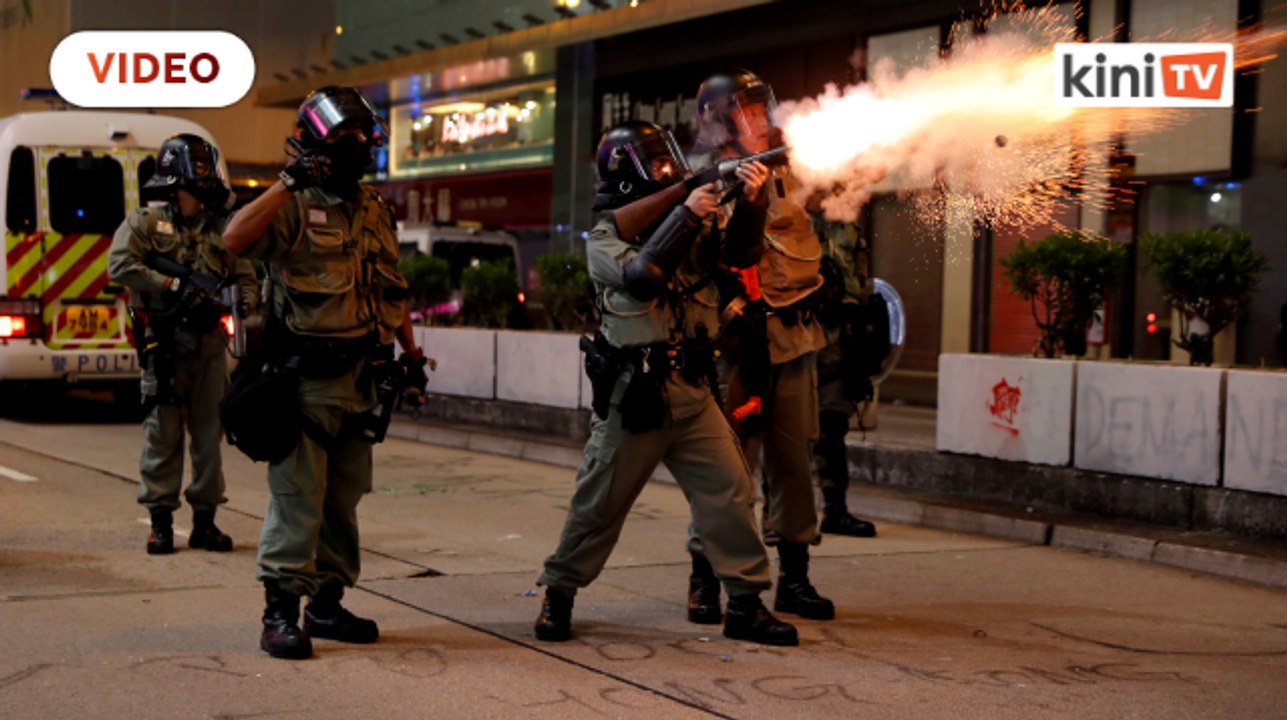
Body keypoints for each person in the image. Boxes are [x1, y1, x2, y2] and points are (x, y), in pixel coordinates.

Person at [534, 120, 798, 647]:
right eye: (656, 165)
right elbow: (643, 277)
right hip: (636, 396)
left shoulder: (697, 221)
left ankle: (744, 604)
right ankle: (559, 591)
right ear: (629, 172)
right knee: (598, 504)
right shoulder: (606, 238)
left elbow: (742, 256)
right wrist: (684, 209)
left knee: (732, 494)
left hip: (693, 390)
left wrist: (751, 200)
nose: (668, 170)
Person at [221, 86, 429, 661]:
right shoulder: (290, 206)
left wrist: (411, 357)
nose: (358, 149)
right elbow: (233, 238)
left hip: (362, 381)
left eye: (364, 139)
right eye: (345, 140)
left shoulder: (374, 210)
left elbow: (393, 291)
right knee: (298, 499)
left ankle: (329, 605)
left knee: (344, 500)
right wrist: (286, 181)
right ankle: (280, 612)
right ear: (314, 146)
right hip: (304, 384)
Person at [685, 70, 836, 626]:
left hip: (793, 340)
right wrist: (744, 200)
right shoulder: (707, 182)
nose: (762, 117)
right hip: (735, 349)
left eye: (760, 107)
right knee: (728, 473)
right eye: (747, 110)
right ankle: (704, 579)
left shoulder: (787, 172)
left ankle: (794, 578)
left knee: (794, 465)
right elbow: (720, 260)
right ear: (722, 120)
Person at [108, 133, 258, 556]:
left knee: (210, 439)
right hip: (167, 348)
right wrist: (173, 285)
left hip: (210, 349)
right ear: (178, 186)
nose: (202, 195)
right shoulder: (146, 223)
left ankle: (205, 524)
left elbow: (246, 275)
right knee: (164, 437)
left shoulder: (222, 231)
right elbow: (120, 264)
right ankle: (160, 523)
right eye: (196, 187)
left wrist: (243, 299)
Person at [813, 218, 879, 537]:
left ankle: (835, 510)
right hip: (803, 333)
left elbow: (857, 277)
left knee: (834, 423)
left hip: (841, 338)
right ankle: (777, 514)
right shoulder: (790, 209)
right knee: (788, 429)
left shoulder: (847, 220)